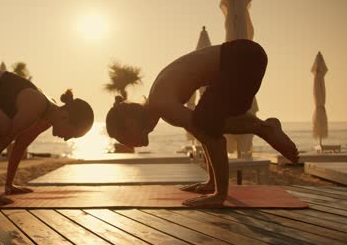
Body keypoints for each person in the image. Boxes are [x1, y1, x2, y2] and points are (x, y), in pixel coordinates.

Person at [106, 39, 299, 207]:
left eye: (124, 138)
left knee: (205, 123)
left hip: (241, 59)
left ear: (130, 123)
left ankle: (265, 128)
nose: (128, 145)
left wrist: (219, 195)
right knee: (206, 121)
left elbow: (214, 140)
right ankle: (264, 128)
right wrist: (211, 183)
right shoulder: (160, 102)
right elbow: (204, 134)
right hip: (244, 56)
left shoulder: (163, 104)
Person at [0, 69, 94, 206]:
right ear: (65, 117)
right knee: (0, 128)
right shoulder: (36, 105)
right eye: (71, 134)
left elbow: (19, 146)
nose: (67, 139)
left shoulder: (46, 115)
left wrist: (9, 185)